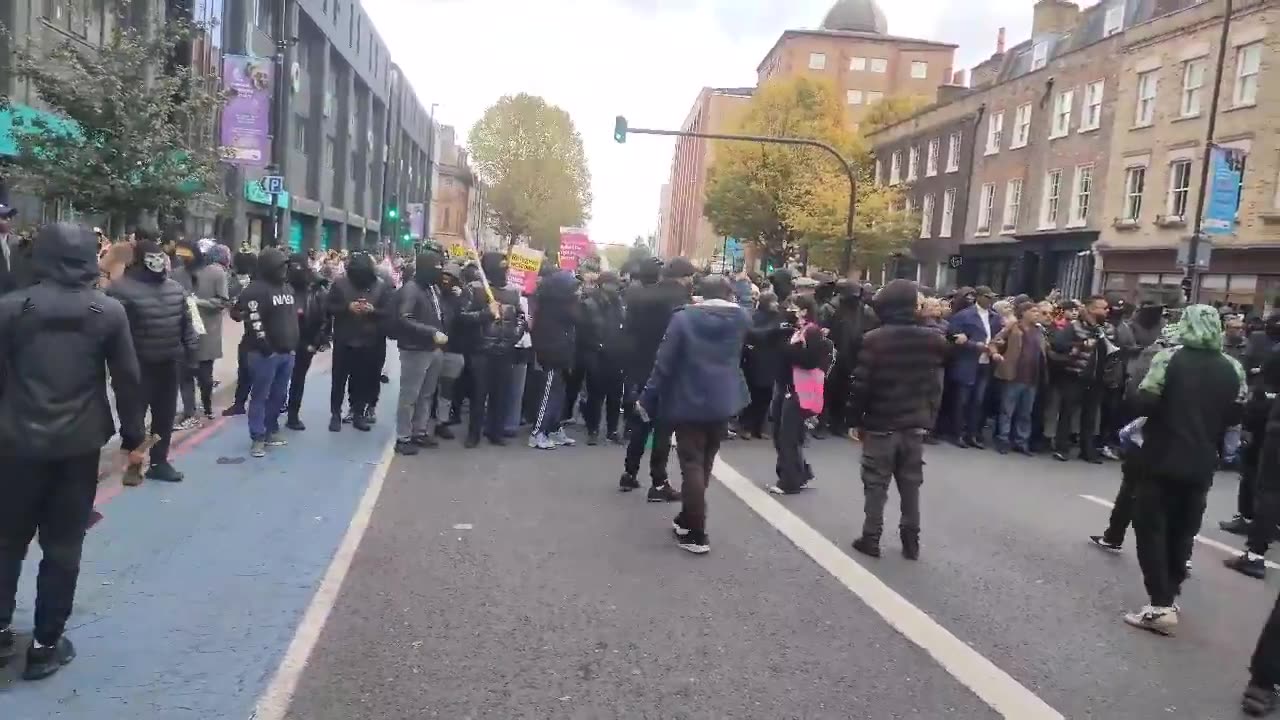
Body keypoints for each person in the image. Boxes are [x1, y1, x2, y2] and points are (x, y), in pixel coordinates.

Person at [0, 223, 146, 680]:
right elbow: (127, 380)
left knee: (5, 542)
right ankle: (45, 644)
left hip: (14, 442)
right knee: (63, 546)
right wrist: (134, 439)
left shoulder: (8, 309)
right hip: (78, 445)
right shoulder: (108, 312)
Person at [1123, 305, 1244, 635]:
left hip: (1162, 455)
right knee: (1183, 530)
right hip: (1203, 460)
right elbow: (1235, 415)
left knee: (1150, 526)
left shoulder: (1169, 358)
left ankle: (1159, 604)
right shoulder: (1233, 367)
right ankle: (1171, 595)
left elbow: (1144, 400)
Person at [638, 276, 750, 554]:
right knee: (707, 460)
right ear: (728, 293)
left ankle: (696, 532)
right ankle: (688, 518)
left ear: (699, 293)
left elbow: (663, 363)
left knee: (691, 463)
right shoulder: (741, 319)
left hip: (688, 398)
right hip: (723, 399)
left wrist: (647, 398)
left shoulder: (684, 319)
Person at [847, 279, 949, 560]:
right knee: (911, 484)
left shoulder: (875, 339)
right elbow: (935, 384)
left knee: (876, 483)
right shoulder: (934, 340)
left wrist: (855, 419)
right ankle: (911, 540)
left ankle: (871, 537)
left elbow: (861, 384)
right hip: (915, 421)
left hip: (881, 421)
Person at [107, 234, 199, 482]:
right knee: (133, 424)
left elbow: (186, 324)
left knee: (164, 418)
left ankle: (159, 462)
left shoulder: (175, 289)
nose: (159, 263)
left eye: (162, 258)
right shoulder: (119, 290)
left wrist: (192, 352)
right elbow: (112, 331)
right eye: (153, 258)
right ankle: (134, 465)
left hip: (169, 364)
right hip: (135, 368)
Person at [620, 257, 695, 499]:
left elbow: (628, 332)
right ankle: (659, 482)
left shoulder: (640, 296)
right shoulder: (680, 300)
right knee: (662, 428)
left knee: (641, 422)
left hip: (640, 367)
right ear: (685, 278)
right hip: (667, 369)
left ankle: (629, 473)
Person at [232, 247, 300, 458]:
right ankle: (258, 437)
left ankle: (270, 430)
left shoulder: (287, 288)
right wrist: (265, 347)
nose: (285, 269)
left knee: (279, 395)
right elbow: (252, 320)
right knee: (260, 395)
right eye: (281, 265)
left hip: (286, 353)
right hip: (263, 354)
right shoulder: (255, 290)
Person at [769, 294, 833, 495]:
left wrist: (786, 349)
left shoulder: (812, 332)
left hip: (799, 390)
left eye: (794, 307)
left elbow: (810, 360)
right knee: (783, 434)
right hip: (788, 386)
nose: (789, 309)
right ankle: (800, 473)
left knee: (787, 436)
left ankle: (790, 481)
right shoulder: (797, 330)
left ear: (804, 310)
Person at [462, 251, 527, 448]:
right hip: (481, 349)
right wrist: (485, 313)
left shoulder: (514, 292)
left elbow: (521, 318)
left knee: (501, 394)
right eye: (500, 267)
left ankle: (495, 431)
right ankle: (474, 434)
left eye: (505, 268)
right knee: (479, 395)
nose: (504, 271)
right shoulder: (474, 289)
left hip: (505, 350)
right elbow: (463, 316)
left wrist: (513, 337)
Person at [392, 249, 450, 456]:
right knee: (410, 395)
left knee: (426, 394)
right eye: (436, 268)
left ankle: (419, 430)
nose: (439, 272)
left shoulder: (432, 288)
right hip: (415, 350)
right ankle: (403, 437)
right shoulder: (412, 289)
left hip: (433, 348)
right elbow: (404, 318)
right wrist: (432, 331)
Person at [327, 252, 392, 432]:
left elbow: (388, 311)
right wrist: (347, 308)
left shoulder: (380, 286)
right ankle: (335, 414)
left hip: (368, 340)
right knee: (338, 379)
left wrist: (373, 310)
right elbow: (328, 306)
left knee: (362, 380)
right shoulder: (340, 284)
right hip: (344, 339)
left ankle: (358, 414)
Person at [1048, 295, 1112, 463]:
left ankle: (1087, 450)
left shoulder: (1107, 329)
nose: (1107, 311)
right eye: (1102, 308)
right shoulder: (1074, 326)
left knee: (1090, 417)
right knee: (1067, 413)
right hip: (1075, 376)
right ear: (1091, 309)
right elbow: (1058, 343)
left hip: (1097, 378)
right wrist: (1081, 344)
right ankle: (1062, 448)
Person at [178, 239, 231, 423]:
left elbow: (223, 301)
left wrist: (196, 302)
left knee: (204, 375)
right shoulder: (179, 273)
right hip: (185, 330)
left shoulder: (217, 273)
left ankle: (206, 406)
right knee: (186, 374)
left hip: (206, 330)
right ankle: (190, 411)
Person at [529, 269, 581, 450]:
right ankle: (537, 432)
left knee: (559, 395)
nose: (577, 291)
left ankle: (553, 428)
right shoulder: (555, 304)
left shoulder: (558, 302)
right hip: (551, 354)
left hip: (561, 353)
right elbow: (577, 317)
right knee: (548, 395)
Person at [945, 286, 1002, 448]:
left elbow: (996, 337)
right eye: (987, 296)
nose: (991, 300)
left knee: (978, 401)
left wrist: (997, 345)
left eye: (992, 297)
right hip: (967, 362)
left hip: (985, 363)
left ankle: (973, 434)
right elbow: (953, 336)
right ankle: (958, 434)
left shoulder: (995, 317)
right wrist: (974, 345)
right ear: (978, 297)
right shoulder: (964, 315)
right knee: (962, 400)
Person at [992, 301, 1046, 455]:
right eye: (1034, 311)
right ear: (1024, 313)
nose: (1037, 314)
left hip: (1032, 377)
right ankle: (1003, 439)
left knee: (1025, 413)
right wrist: (996, 353)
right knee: (1007, 410)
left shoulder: (1039, 330)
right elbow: (995, 342)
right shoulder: (1013, 328)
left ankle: (1021, 441)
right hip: (1014, 375)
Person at [580, 270, 628, 445]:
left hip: (616, 356)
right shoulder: (589, 304)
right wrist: (596, 346)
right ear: (603, 284)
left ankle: (612, 430)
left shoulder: (620, 303)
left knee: (615, 396)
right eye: (612, 284)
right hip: (597, 355)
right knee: (596, 396)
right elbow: (583, 332)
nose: (615, 288)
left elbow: (624, 327)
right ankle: (593, 430)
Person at [284, 252, 331, 431]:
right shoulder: (281, 284)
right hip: (283, 339)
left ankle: (293, 414)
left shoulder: (318, 289)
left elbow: (325, 319)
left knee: (298, 378)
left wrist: (316, 342)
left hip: (306, 340)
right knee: (279, 379)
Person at [0, 203, 33, 294]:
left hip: (13, 292)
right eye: (3, 217)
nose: (8, 219)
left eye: (10, 216)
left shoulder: (16, 241)